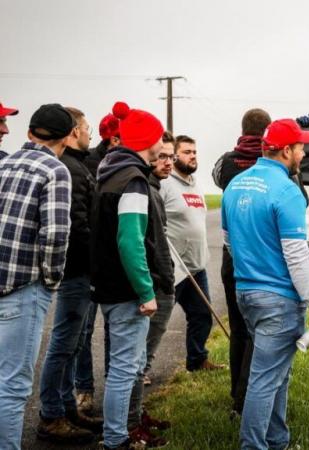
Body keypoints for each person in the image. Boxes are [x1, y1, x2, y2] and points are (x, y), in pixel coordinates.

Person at [222, 118, 309, 450]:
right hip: (278, 299)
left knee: (276, 374)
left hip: (246, 293)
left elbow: (228, 242)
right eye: (301, 147)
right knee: (264, 378)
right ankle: (254, 445)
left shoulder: (235, 184)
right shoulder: (287, 191)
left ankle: (277, 440)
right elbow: (298, 254)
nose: (303, 152)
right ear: (286, 150)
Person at [91, 101, 172, 450]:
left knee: (124, 366)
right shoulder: (135, 180)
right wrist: (145, 291)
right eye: (158, 138)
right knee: (125, 369)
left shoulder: (109, 170)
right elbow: (130, 241)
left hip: (107, 286)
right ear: (150, 140)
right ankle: (115, 439)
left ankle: (121, 431)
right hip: (126, 291)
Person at [0, 103, 74, 450]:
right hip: (24, 288)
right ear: (66, 137)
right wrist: (52, 279)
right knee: (12, 388)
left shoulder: (4, 162)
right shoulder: (55, 170)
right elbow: (56, 235)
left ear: (29, 132)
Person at [37, 107, 103, 444]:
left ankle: (65, 406)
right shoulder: (71, 170)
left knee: (74, 343)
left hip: (79, 271)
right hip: (76, 270)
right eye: (87, 128)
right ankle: (51, 415)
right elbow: (78, 227)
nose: (90, 134)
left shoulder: (78, 164)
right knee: (64, 344)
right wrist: (93, 265)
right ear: (74, 131)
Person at [212, 108, 270, 417]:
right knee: (258, 331)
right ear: (267, 131)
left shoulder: (227, 163)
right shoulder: (270, 163)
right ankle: (245, 399)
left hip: (230, 254)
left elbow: (218, 178)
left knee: (238, 329)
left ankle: (237, 390)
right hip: (260, 256)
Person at [160, 134, 224, 372]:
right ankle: (140, 369)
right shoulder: (165, 183)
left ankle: (197, 361)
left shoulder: (195, 184)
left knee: (201, 316)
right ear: (174, 155)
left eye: (195, 152)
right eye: (187, 152)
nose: (193, 156)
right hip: (174, 267)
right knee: (157, 321)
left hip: (196, 267)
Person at [76, 111, 122, 415]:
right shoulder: (89, 163)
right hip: (92, 258)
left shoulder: (127, 162)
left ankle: (112, 388)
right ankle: (84, 388)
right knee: (84, 328)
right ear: (115, 138)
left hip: (116, 258)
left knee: (113, 327)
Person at [143, 131, 176, 385]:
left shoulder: (154, 188)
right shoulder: (145, 190)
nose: (168, 162)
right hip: (153, 284)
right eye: (162, 156)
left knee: (144, 353)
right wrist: (164, 280)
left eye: (171, 157)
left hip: (159, 280)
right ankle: (130, 421)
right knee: (137, 357)